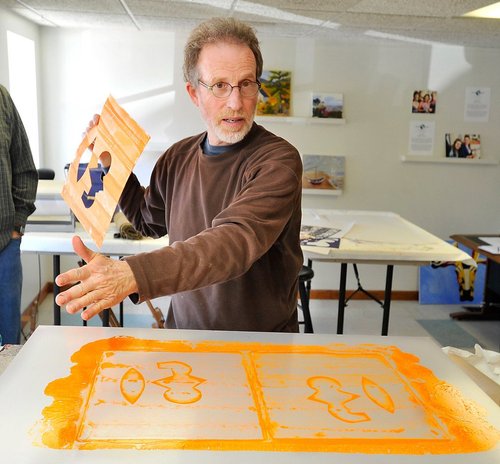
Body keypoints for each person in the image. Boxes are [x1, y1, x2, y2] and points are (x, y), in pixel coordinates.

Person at [55, 17, 304, 332]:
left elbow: (234, 241)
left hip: (261, 345)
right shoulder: (176, 157)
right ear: (193, 93)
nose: (236, 102)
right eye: (219, 86)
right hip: (184, 335)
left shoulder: (278, 160)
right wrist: (111, 163)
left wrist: (130, 274)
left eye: (246, 84)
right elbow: (147, 220)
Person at [0, 84, 38, 344]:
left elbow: (25, 168)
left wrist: (17, 227)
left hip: (4, 247)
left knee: (9, 343)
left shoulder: (2, 99)